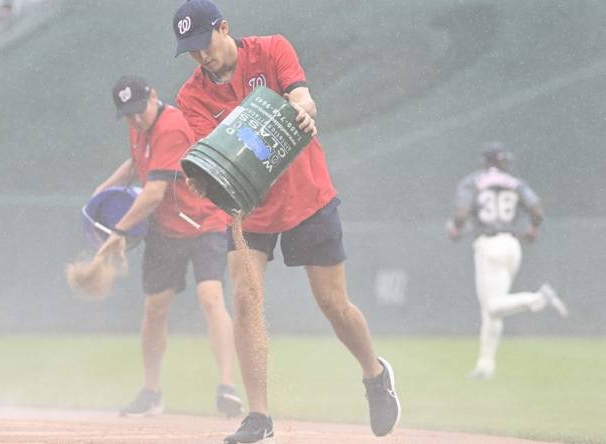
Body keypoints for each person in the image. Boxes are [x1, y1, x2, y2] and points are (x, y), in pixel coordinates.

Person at [171, 1, 400, 442]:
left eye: (204, 44)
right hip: (249, 206)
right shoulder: (191, 96)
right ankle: (258, 416)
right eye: (190, 51)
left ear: (224, 28)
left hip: (306, 195)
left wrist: (303, 107)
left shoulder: (271, 49)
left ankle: (375, 375)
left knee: (333, 305)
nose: (201, 57)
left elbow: (301, 96)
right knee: (244, 296)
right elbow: (207, 159)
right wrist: (200, 180)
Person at [94, 75, 243, 418]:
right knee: (154, 310)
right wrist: (104, 189)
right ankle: (151, 393)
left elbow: (153, 193)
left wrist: (118, 230)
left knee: (210, 297)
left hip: (203, 220)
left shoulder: (172, 126)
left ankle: (227, 388)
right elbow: (137, 164)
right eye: (128, 114)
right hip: (166, 229)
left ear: (154, 97)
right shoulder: (137, 125)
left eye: (139, 110)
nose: (135, 118)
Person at [446, 142, 569, 380]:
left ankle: (538, 298)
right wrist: (532, 229)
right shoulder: (515, 182)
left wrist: (456, 228)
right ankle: (486, 365)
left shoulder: (473, 181)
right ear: (502, 162)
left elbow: (461, 214)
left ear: (484, 162)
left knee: (492, 307)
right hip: (512, 245)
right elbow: (537, 210)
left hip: (489, 245)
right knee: (493, 311)